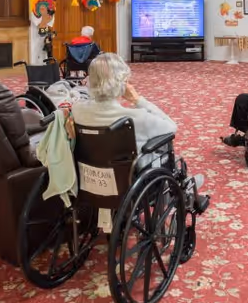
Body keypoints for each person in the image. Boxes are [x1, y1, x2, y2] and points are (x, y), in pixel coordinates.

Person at [70, 53, 208, 211]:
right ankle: (181, 186)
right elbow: (171, 127)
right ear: (123, 82)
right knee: (163, 148)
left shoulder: (77, 110)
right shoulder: (135, 118)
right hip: (129, 184)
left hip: (89, 179)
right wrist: (138, 100)